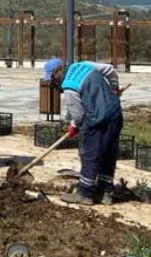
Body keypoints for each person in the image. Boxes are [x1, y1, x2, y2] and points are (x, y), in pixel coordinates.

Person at [47, 59, 124, 205]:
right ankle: (105, 192)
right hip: (115, 114)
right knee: (108, 154)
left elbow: (79, 116)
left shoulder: (69, 86)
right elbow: (109, 69)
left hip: (97, 121)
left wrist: (74, 126)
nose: (54, 85)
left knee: (90, 154)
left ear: (56, 73)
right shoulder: (82, 65)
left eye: (52, 80)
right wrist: (114, 88)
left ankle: (85, 192)